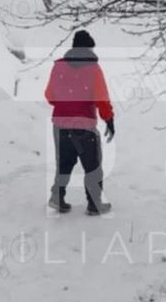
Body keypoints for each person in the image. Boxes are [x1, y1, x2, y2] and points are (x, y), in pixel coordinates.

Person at [44, 30, 115, 215]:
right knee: (92, 166)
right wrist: (109, 119)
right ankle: (94, 204)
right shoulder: (93, 69)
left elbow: (50, 96)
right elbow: (101, 98)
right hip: (84, 125)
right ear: (89, 48)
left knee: (64, 164)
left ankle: (57, 198)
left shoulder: (58, 67)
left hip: (59, 124)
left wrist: (66, 101)